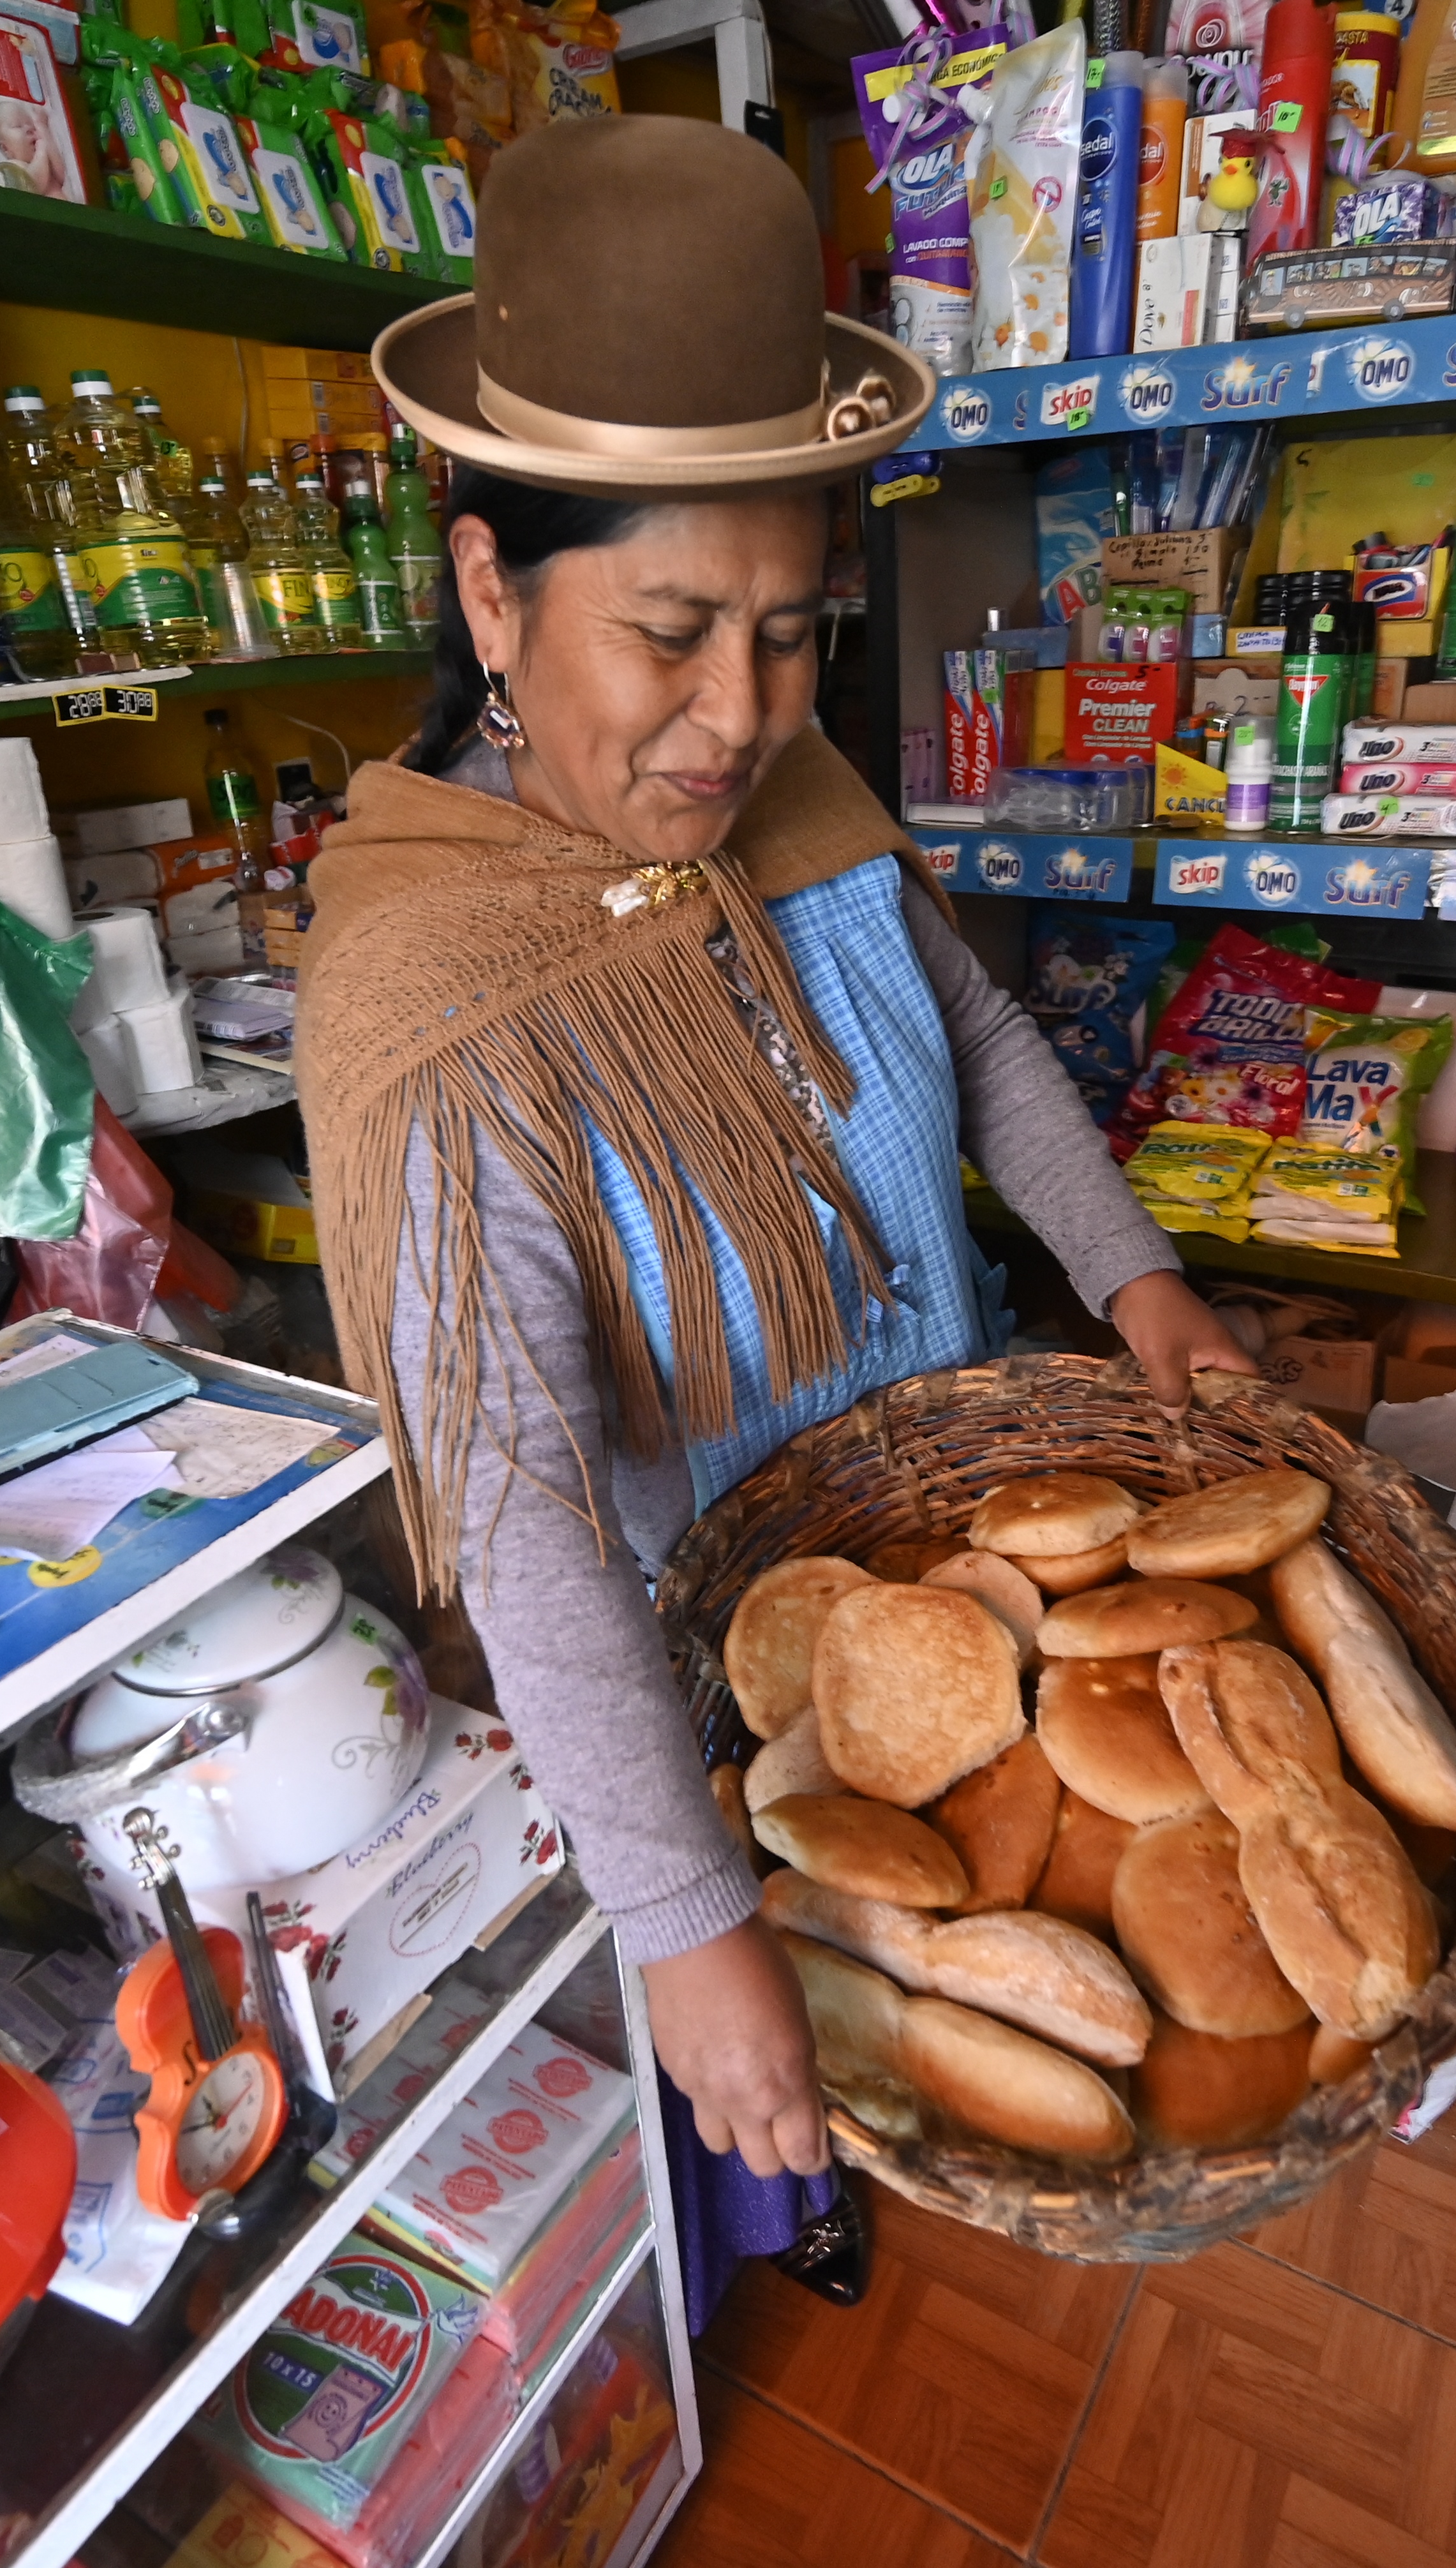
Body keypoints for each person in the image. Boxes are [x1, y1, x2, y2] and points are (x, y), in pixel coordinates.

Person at [300, 117, 1251, 2303]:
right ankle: (761, 2231)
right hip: (729, 1669)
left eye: (796, 631)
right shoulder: (428, 1005)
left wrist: (1140, 1280)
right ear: (486, 591)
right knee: (780, 2087)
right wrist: (683, 1919)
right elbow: (521, 1503)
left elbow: (985, 1046)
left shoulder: (795, 791)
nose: (740, 717)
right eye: (667, 632)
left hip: (959, 1540)